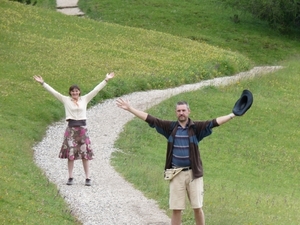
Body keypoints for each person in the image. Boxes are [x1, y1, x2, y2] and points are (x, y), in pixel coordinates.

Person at [116, 98, 236, 225]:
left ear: (189, 111)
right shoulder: (170, 128)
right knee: (176, 209)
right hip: (176, 173)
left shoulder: (196, 128)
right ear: (176, 113)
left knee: (197, 207)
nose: (181, 113)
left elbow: (214, 122)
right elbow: (151, 119)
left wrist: (232, 115)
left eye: (184, 110)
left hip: (193, 174)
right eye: (179, 111)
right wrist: (130, 109)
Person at [34, 72, 115, 186]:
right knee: (71, 155)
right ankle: (70, 177)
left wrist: (106, 80)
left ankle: (87, 178)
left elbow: (96, 90)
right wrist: (43, 83)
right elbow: (54, 92)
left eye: (76, 91)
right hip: (71, 129)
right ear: (70, 93)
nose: (75, 93)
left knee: (84, 154)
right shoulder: (66, 100)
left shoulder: (85, 99)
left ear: (79, 92)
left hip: (82, 129)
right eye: (73, 91)